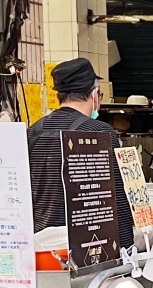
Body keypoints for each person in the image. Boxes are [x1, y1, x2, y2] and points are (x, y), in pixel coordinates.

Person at [27, 58, 134, 253]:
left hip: (41, 249)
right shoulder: (99, 132)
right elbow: (116, 197)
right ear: (94, 94)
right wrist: (127, 248)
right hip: (88, 249)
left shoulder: (34, 131)